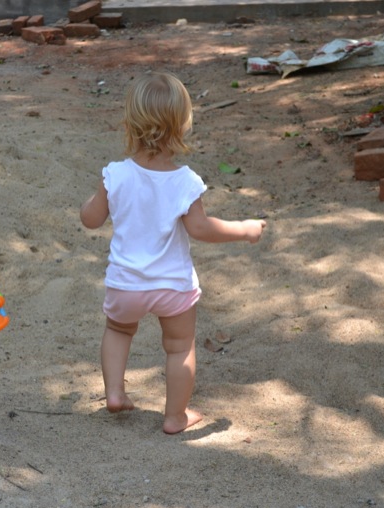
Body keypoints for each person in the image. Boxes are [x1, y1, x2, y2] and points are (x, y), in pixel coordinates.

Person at [79, 72, 266, 434]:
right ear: (182, 126)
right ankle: (175, 416)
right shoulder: (185, 181)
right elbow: (202, 229)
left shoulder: (115, 174)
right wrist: (244, 229)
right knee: (180, 346)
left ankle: (115, 392)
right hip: (172, 286)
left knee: (118, 330)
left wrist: (101, 194)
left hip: (125, 284)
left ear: (129, 124)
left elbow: (90, 219)